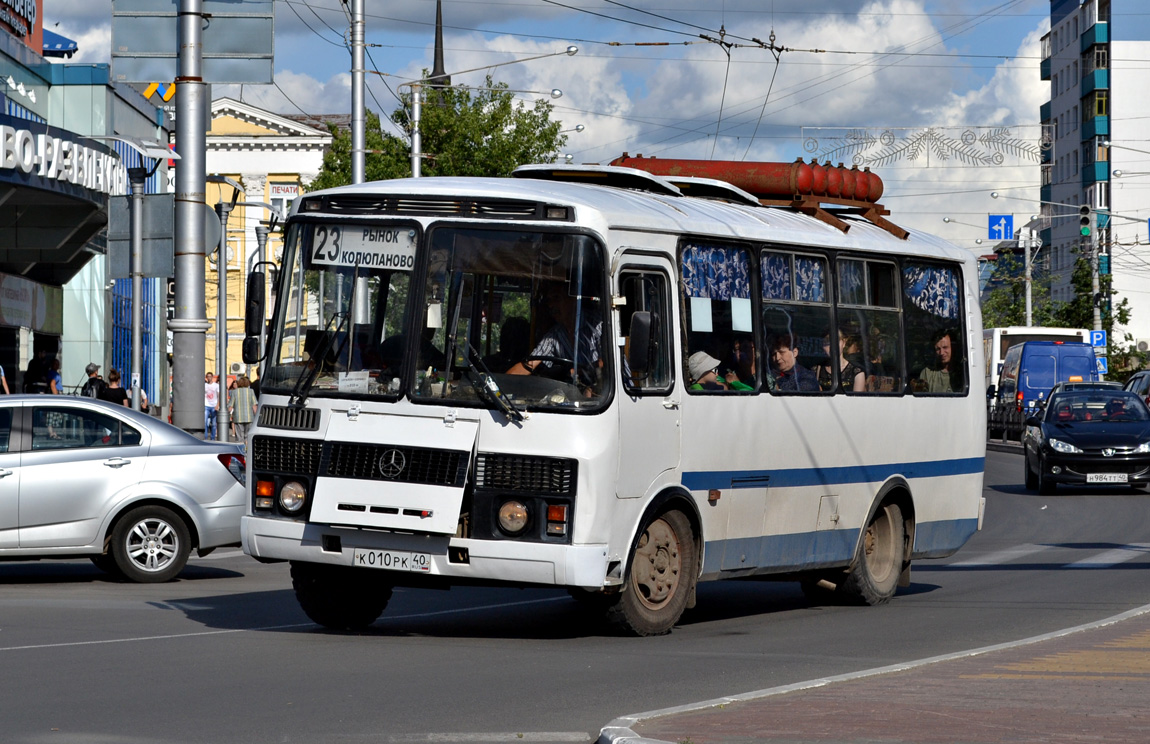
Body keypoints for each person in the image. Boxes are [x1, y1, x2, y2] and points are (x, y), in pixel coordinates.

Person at [507, 283, 603, 391]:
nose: (551, 305)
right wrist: (501, 384)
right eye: (549, 300)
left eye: (557, 298)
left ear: (573, 300)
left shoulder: (597, 324)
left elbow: (607, 362)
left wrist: (574, 372)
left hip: (608, 396)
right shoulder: (555, 334)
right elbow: (530, 364)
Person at [816, 327, 866, 393]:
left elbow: (857, 401)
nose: (832, 346)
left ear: (844, 343)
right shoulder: (817, 370)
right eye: (827, 342)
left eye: (836, 341)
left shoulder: (856, 372)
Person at [919, 328, 962, 393]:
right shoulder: (927, 373)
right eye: (938, 349)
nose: (941, 353)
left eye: (945, 347)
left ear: (953, 347)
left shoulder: (963, 373)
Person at [229, 376, 258, 442]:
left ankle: (240, 449)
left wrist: (228, 414)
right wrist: (256, 416)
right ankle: (247, 449)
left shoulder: (234, 392)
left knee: (239, 436)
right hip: (249, 417)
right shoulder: (251, 391)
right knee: (247, 436)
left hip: (238, 417)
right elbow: (254, 405)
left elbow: (231, 405)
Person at [204, 372, 220, 440]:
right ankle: (205, 437)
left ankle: (212, 438)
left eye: (210, 376)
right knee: (205, 423)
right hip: (206, 405)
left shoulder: (216, 385)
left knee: (213, 424)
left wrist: (217, 405)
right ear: (206, 377)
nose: (209, 378)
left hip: (214, 405)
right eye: (208, 376)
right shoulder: (204, 385)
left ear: (212, 377)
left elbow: (219, 395)